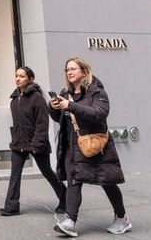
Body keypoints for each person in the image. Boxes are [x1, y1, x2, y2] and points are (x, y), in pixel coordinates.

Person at [49, 57, 132, 237]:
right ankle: (70, 222)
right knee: (74, 181)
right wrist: (53, 108)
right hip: (72, 147)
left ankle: (122, 219)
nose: (69, 72)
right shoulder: (66, 92)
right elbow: (61, 119)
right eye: (67, 70)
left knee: (107, 182)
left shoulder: (97, 92)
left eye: (73, 69)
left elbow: (99, 114)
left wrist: (71, 106)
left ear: (84, 71)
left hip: (95, 146)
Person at [0, 66, 65, 217]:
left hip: (36, 144)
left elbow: (42, 124)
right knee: (15, 175)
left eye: (22, 76)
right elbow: (17, 124)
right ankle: (11, 206)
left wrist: (37, 144)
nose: (18, 78)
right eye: (16, 75)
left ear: (30, 79)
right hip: (19, 144)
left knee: (47, 172)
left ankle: (65, 198)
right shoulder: (15, 99)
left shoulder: (37, 98)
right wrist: (15, 139)